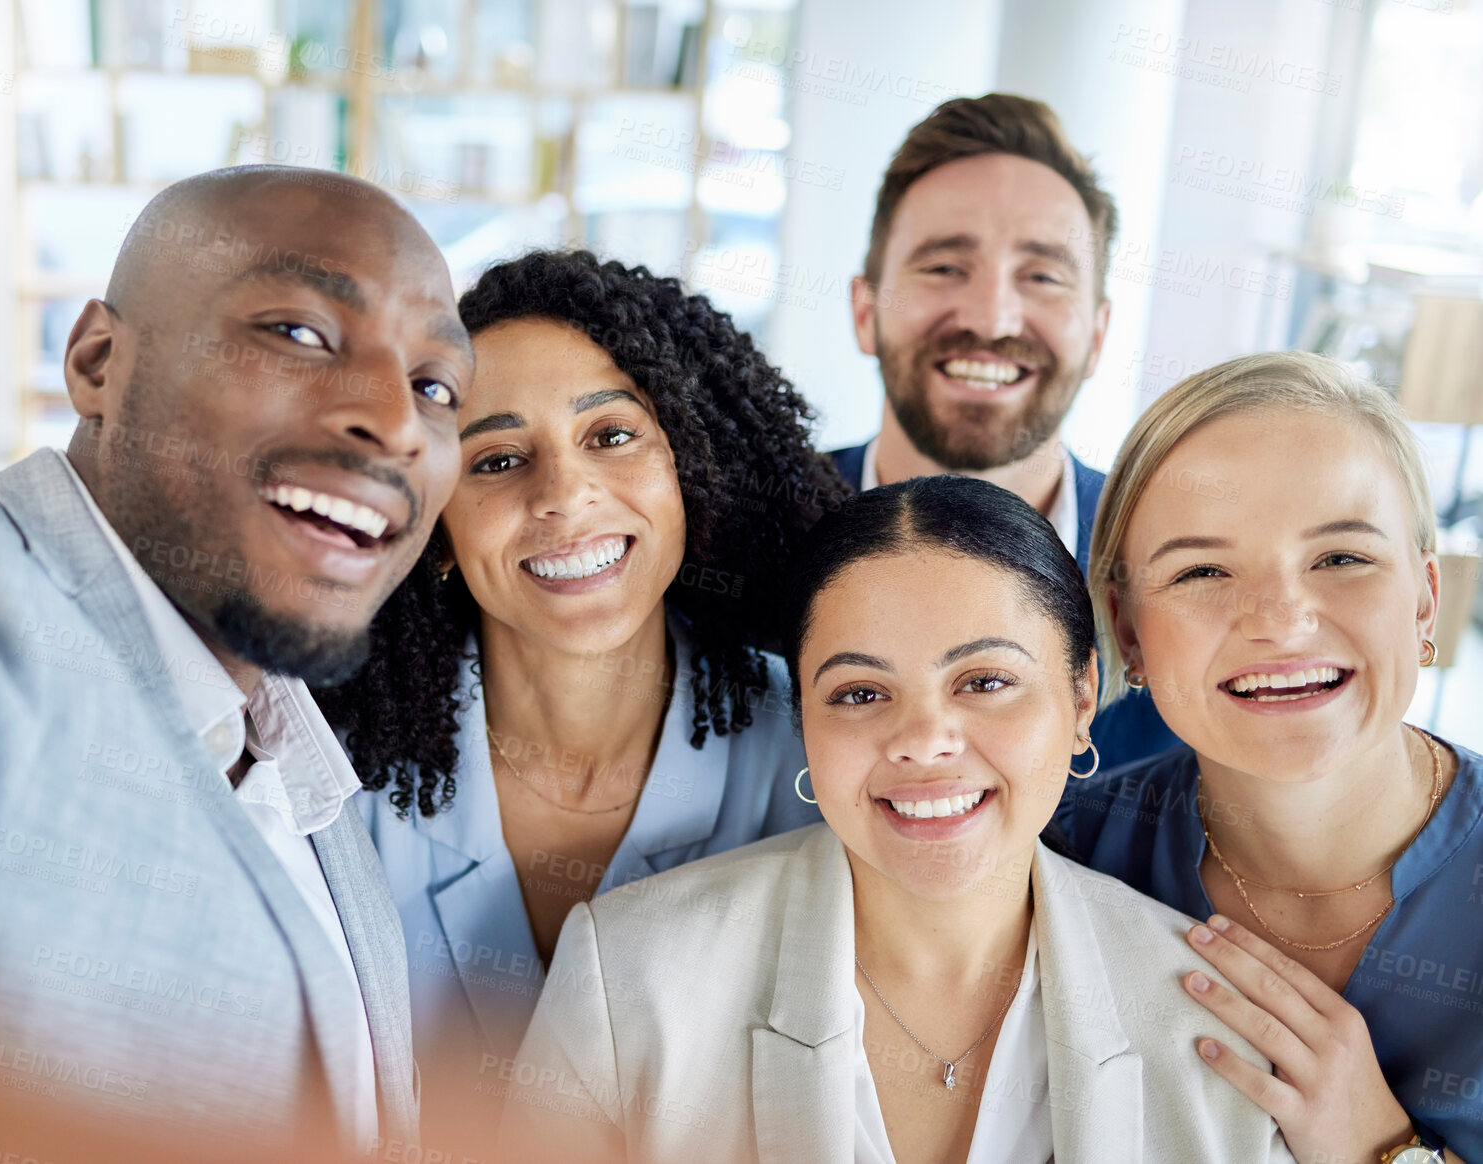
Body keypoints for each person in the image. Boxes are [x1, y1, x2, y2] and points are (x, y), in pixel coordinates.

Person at [0, 166, 475, 1156]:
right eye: (298, 334)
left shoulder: (312, 780)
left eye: (435, 387)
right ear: (97, 361)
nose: (391, 419)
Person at [498, 475, 1293, 1164]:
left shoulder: (1213, 1018)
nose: (922, 743)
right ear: (803, 715)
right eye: (859, 694)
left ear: (1081, 696)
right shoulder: (631, 974)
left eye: (984, 682)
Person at [315, 249, 847, 1144]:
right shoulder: (336, 768)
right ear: (436, 519)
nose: (563, 496)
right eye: (497, 459)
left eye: (610, 435)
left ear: (692, 472)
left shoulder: (821, 753)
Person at [1055, 351, 1480, 1164]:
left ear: (1424, 599)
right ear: (1129, 628)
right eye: (1202, 570)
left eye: (1340, 558)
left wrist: (1383, 1149)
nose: (1280, 621)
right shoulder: (1057, 861)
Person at [828, 92, 1177, 768]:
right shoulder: (733, 551)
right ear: (864, 310)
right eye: (942, 268)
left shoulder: (1177, 580)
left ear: (1097, 335)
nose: (992, 319)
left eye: (1042, 276)